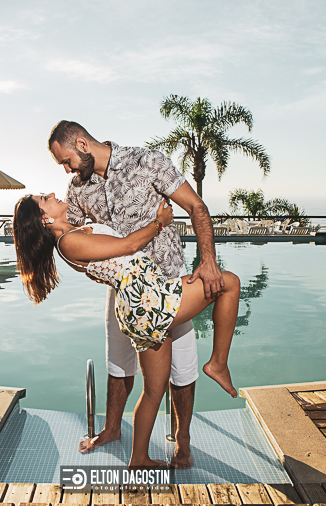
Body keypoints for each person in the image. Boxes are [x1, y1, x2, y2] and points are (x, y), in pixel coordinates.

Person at [13, 193, 240, 468]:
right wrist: (159, 222)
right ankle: (218, 364)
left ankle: (138, 459)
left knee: (154, 391)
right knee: (229, 283)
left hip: (143, 302)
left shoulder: (72, 234)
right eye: (44, 199)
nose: (52, 195)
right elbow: (129, 245)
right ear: (44, 219)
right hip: (149, 299)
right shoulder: (68, 242)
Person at [47, 120, 224, 468]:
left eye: (66, 160)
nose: (67, 169)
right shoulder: (78, 189)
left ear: (82, 144)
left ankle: (182, 440)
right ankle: (113, 428)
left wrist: (208, 262)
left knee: (182, 370)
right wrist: (96, 271)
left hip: (171, 283)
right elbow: (75, 242)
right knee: (118, 364)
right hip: (124, 293)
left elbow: (196, 207)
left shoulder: (147, 161)